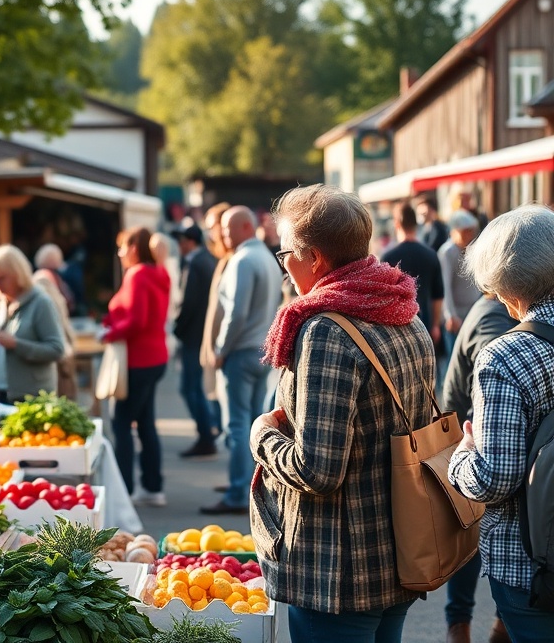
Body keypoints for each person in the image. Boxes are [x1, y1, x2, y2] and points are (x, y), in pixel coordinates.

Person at [250, 184, 434, 642]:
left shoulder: (327, 331)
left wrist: (261, 436)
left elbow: (318, 469)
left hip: (339, 573)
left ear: (314, 259)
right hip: (401, 550)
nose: (284, 263)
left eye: (285, 252)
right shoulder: (400, 305)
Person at [450, 205, 554, 642]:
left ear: (506, 288)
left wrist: (461, 455)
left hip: (532, 566)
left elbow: (496, 479)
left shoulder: (506, 356)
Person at [442, 293, 515, 643]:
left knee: (472, 529)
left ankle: (483, 624)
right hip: (468, 439)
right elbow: (492, 389)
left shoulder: (491, 309)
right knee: (472, 529)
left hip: (468, 434)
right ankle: (465, 626)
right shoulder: (494, 318)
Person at [200, 206, 281, 515]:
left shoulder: (243, 260)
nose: (222, 235)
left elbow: (237, 313)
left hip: (241, 351)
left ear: (246, 227)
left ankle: (237, 491)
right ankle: (247, 484)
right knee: (251, 425)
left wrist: (220, 349)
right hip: (260, 351)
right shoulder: (264, 258)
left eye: (227, 229)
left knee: (236, 426)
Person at [101, 227, 169, 506]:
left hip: (138, 359)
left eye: (121, 247)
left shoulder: (138, 274)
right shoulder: (159, 272)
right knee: (144, 424)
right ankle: (152, 487)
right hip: (155, 356)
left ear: (132, 248)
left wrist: (108, 333)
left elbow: (136, 320)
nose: (118, 253)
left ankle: (124, 489)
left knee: (121, 423)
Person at [0, 245, 65, 403]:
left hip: (31, 397)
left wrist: (17, 345)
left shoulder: (41, 302)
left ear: (18, 274)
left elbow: (57, 349)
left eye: (1, 278)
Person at [171, 222, 219, 458]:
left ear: (190, 242)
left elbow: (188, 303)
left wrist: (177, 328)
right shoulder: (208, 260)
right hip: (201, 334)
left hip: (193, 336)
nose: (179, 246)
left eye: (181, 241)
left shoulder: (194, 263)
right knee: (197, 388)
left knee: (191, 389)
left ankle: (205, 436)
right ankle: (208, 433)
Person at [381, 202, 444, 347]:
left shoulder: (388, 257)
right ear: (416, 224)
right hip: (426, 324)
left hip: (397, 327)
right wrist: (435, 325)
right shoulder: (431, 255)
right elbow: (438, 295)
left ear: (397, 224)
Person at [200, 201, 232, 442]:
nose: (211, 233)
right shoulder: (222, 259)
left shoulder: (233, 259)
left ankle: (238, 480)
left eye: (214, 227)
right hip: (220, 346)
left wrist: (220, 347)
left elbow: (235, 312)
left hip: (228, 349)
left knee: (235, 421)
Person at [32, 244, 78, 400]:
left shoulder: (51, 279)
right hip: (57, 350)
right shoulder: (43, 280)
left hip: (61, 348)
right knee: (62, 396)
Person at [439, 210, 483, 362]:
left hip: (473, 311)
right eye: (466, 231)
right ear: (456, 231)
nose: (470, 235)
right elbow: (445, 286)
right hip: (456, 314)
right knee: (456, 358)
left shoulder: (472, 248)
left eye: (472, 231)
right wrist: (450, 315)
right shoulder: (448, 252)